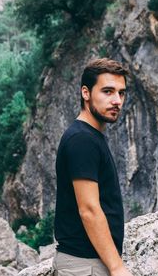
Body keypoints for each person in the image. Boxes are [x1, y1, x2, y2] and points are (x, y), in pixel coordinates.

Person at [53, 58, 133, 276]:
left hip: (89, 263)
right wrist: (117, 267)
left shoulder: (89, 137)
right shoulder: (82, 140)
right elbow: (89, 209)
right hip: (84, 265)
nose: (117, 100)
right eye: (107, 91)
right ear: (86, 93)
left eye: (121, 93)